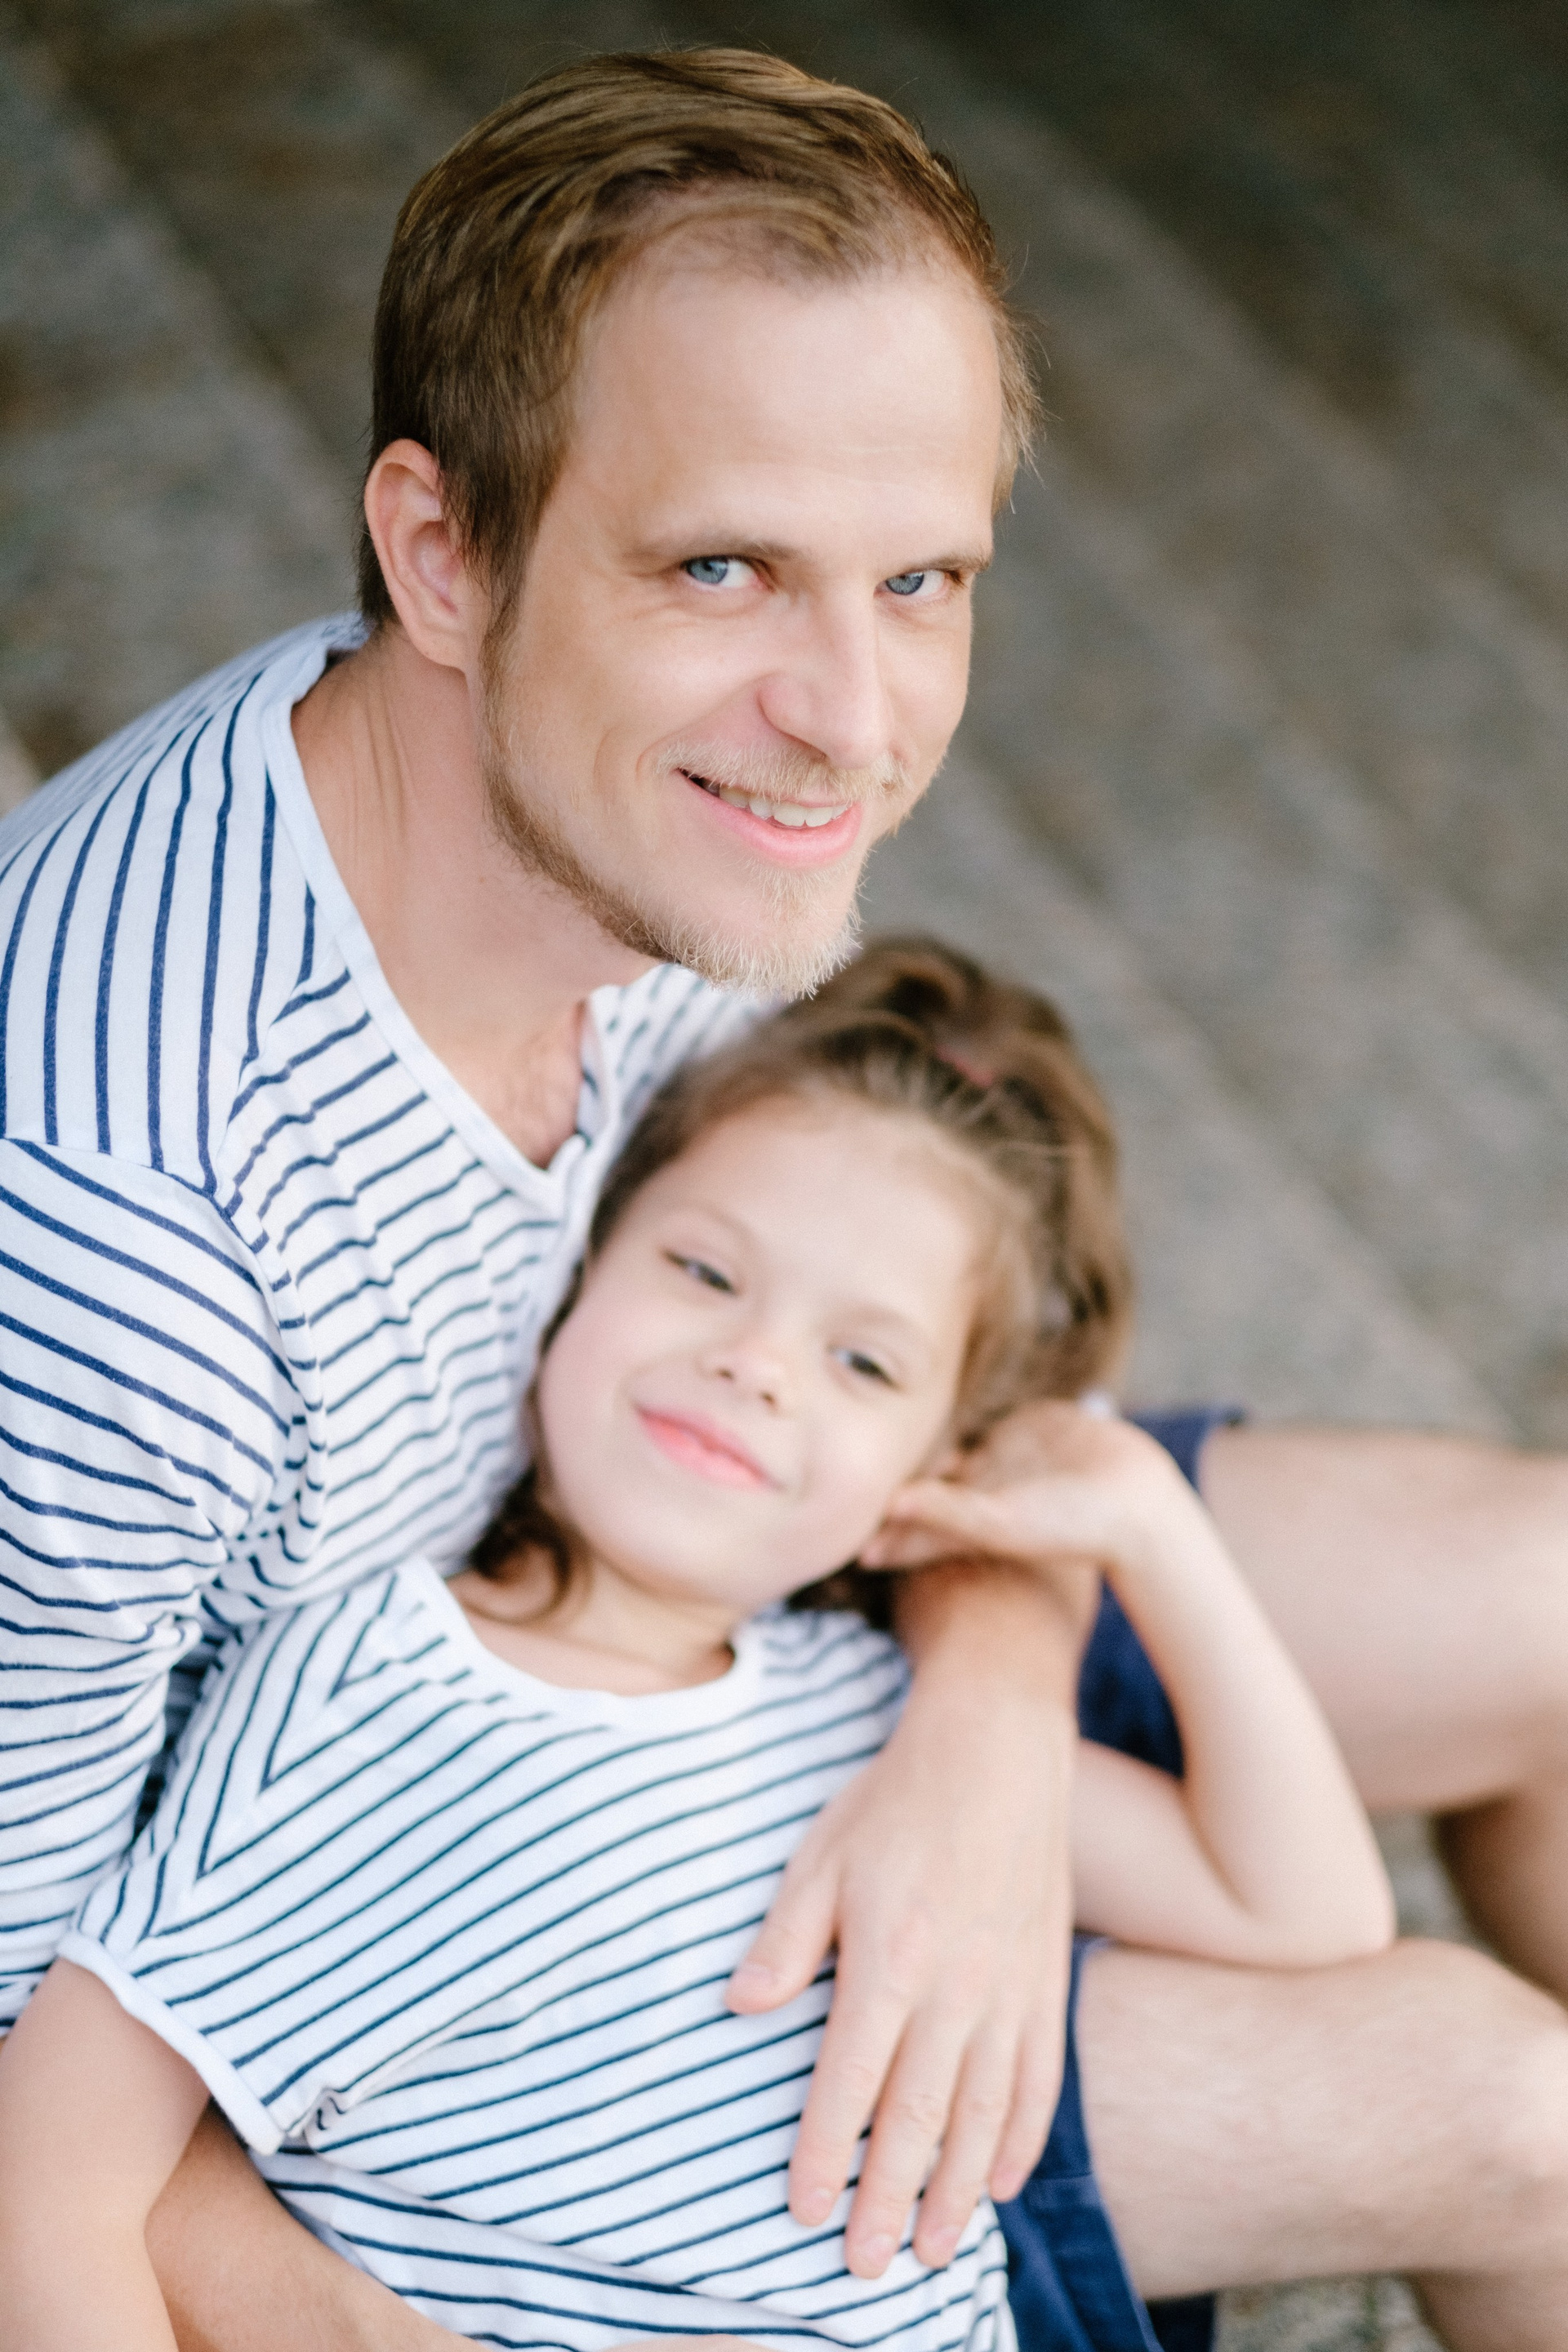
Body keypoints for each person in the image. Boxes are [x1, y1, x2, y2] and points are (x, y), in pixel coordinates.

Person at [2, 42, 1568, 2352]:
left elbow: (897, 1261)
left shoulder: (606, 812)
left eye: (919, 577)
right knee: (1508, 2106)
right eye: (722, 566)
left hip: (775, 1588)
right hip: (522, 1984)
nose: (852, 718)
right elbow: (35, 2070)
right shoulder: (110, 1250)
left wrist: (985, 1714)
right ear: (442, 554)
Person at [0, 942, 1394, 2352]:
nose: (758, 1362)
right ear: (584, 1266)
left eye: (865, 1363)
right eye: (705, 1269)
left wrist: (1154, 1530)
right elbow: (51, 2182)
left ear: (929, 1476)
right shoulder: (365, 1691)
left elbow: (1311, 1912)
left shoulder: (874, 1720)